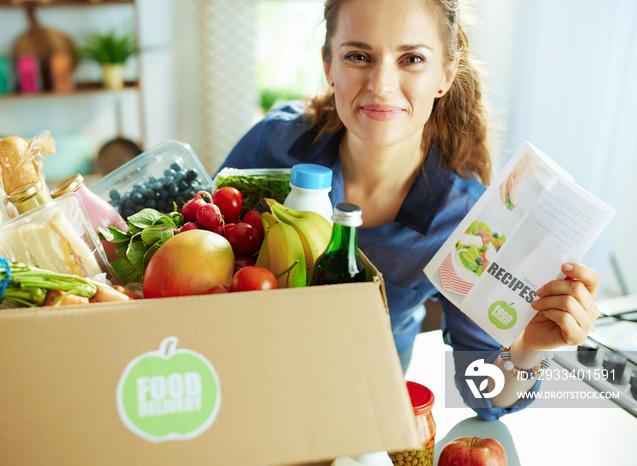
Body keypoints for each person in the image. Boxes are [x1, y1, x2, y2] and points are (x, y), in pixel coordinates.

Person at [219, 0, 601, 420]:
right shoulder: (270, 145)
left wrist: (529, 349)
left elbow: (483, 393)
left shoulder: (467, 222)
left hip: (361, 408)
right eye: (358, 56)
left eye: (412, 58)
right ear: (329, 65)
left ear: (445, 74)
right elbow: (190, 248)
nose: (381, 85)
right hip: (241, 383)